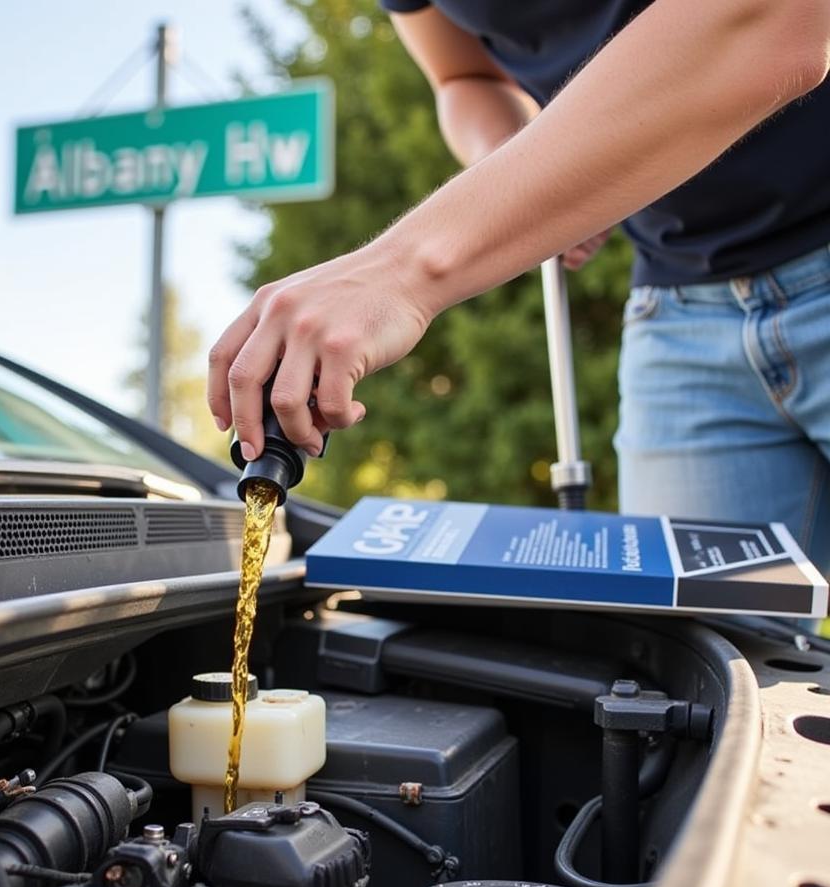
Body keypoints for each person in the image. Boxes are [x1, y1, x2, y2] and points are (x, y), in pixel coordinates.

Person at [207, 0, 830, 577]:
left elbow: (772, 23)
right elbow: (463, 79)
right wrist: (537, 180)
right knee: (719, 661)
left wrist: (400, 271)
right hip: (681, 314)